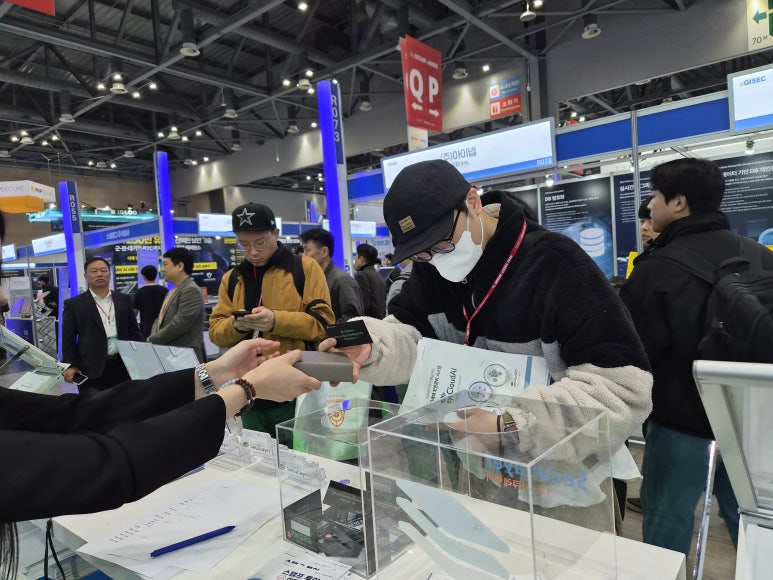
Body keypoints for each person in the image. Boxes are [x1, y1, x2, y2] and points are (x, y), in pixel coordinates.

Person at [322, 159, 652, 455]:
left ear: (473, 202)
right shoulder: (431, 270)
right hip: (479, 469)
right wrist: (372, 344)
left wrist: (510, 425)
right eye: (421, 252)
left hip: (563, 474)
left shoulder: (555, 264)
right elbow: (411, 338)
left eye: (442, 241)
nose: (435, 258)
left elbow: (621, 390)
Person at [619, 157, 773, 555]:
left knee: (666, 525)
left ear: (679, 202)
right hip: (753, 422)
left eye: (655, 195)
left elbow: (636, 354)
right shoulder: (760, 256)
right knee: (753, 523)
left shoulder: (654, 270)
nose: (650, 205)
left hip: (680, 425)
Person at [209, 203, 335, 434]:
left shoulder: (305, 268)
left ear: (275, 234)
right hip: (247, 393)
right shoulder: (233, 278)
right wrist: (237, 325)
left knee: (300, 450)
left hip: (295, 389)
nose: (253, 252)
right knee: (255, 453)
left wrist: (275, 320)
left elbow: (323, 323)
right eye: (244, 244)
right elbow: (216, 333)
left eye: (260, 243)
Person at [61, 258, 143, 392]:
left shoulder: (124, 299)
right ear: (86, 276)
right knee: (94, 403)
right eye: (94, 271)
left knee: (125, 402)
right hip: (91, 367)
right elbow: (68, 338)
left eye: (103, 270)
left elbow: (134, 331)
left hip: (123, 365)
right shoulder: (74, 304)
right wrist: (70, 365)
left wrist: (141, 356)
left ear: (109, 274)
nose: (99, 274)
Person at [147, 247, 206, 362]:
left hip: (187, 357)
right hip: (171, 355)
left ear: (180, 266)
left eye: (165, 265)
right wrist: (153, 338)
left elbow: (179, 325)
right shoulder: (172, 291)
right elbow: (159, 320)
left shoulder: (191, 290)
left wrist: (151, 340)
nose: (162, 269)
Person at [299, 227, 364, 323]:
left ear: (324, 251)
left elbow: (352, 320)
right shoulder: (316, 279)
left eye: (307, 250)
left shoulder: (342, 280)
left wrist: (327, 330)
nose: (303, 255)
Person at [133, 264, 168, 339]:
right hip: (162, 328)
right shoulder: (164, 290)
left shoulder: (139, 292)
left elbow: (134, 312)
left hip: (145, 329)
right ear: (156, 275)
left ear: (144, 276)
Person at [354, 243, 385, 319]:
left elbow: (363, 305)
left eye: (356, 258)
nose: (355, 261)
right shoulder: (378, 275)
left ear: (361, 259)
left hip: (369, 322)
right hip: (379, 321)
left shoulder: (362, 276)